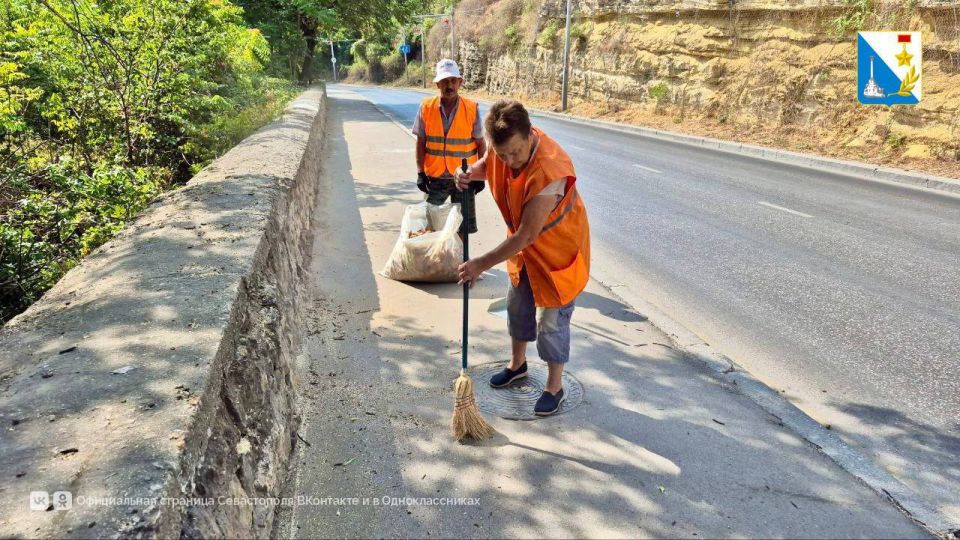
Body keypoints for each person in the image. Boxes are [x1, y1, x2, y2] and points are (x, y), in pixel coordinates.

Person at [455, 99, 590, 416]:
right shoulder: (502, 150)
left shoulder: (549, 170)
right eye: (504, 153)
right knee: (517, 305)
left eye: (515, 152)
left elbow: (528, 234)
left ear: (529, 134)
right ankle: (517, 365)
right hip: (524, 251)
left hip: (557, 253)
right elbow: (487, 165)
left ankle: (554, 387)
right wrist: (470, 175)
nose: (510, 161)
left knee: (551, 323)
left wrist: (479, 264)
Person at [412, 59, 486, 235]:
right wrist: (420, 173)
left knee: (463, 226)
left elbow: (480, 143)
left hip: (465, 177)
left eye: (453, 80)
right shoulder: (426, 107)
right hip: (435, 177)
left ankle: (459, 261)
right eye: (445, 81)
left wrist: (481, 174)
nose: (449, 85)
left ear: (460, 82)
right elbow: (421, 142)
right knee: (429, 222)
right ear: (437, 83)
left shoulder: (471, 108)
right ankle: (435, 258)